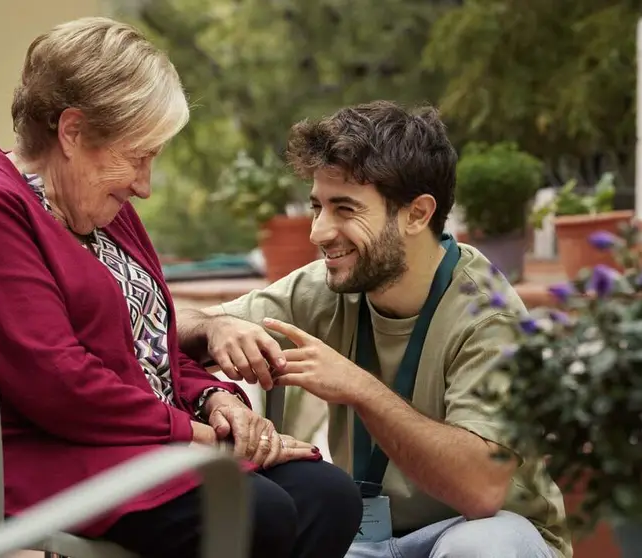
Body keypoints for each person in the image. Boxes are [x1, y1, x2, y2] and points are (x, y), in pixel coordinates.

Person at [0, 17, 361, 558]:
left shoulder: (101, 211)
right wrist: (200, 437)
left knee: (329, 496)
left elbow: (150, 345)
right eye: (138, 155)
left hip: (123, 441)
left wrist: (215, 402)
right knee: (254, 510)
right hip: (28, 454)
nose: (145, 185)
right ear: (72, 132)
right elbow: (59, 384)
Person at [176, 101, 573, 558]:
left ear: (417, 214)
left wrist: (360, 389)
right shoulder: (329, 285)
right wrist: (216, 326)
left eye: (344, 209)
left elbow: (481, 491)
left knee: (484, 547)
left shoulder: (488, 316)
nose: (319, 232)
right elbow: (166, 326)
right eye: (317, 207)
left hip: (480, 534)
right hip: (364, 542)